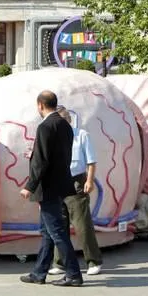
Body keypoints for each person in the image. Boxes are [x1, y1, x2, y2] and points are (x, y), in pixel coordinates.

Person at [19, 91, 83, 287]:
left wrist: (30, 185)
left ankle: (73, 274)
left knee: (56, 232)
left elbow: (42, 160)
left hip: (47, 187)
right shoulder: (65, 125)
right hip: (60, 183)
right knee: (48, 231)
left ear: (40, 105)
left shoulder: (45, 126)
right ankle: (39, 273)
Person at [48, 106, 102, 277]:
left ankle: (93, 261)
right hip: (57, 182)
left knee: (82, 224)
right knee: (59, 225)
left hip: (76, 181)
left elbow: (91, 161)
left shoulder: (81, 135)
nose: (62, 122)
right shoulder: (51, 137)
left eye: (65, 118)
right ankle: (60, 262)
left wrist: (89, 181)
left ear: (69, 120)